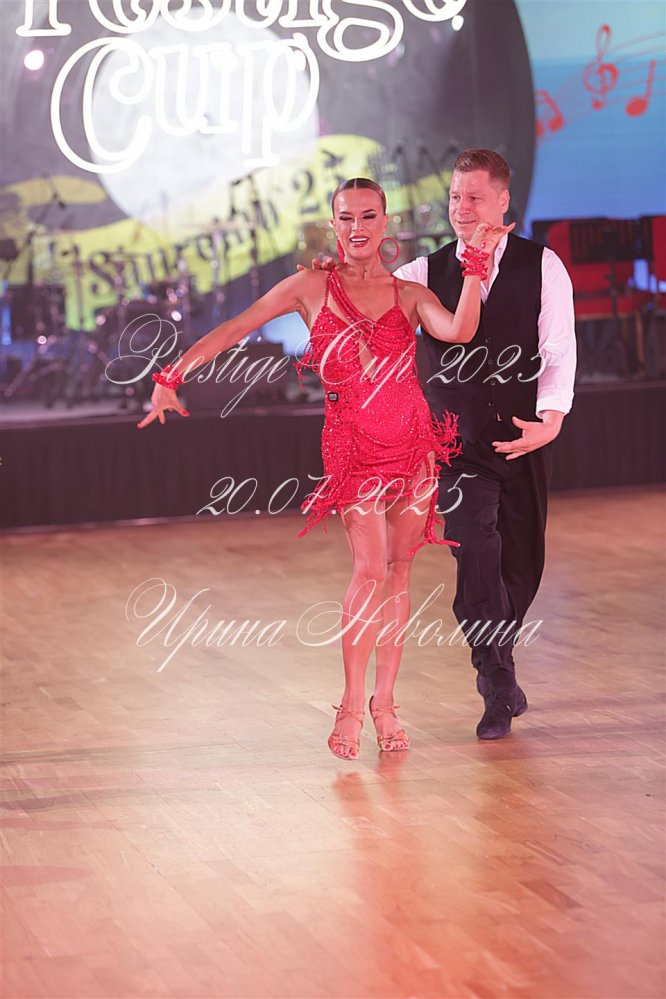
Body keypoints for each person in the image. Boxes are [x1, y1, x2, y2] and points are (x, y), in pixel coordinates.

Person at [137, 177, 513, 759]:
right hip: (353, 447)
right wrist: (171, 375)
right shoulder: (311, 285)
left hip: (414, 445)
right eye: (346, 217)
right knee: (369, 568)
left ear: (385, 222)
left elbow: (459, 330)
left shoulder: (408, 292)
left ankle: (385, 705)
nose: (357, 227)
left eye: (368, 216)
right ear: (333, 224)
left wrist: (474, 266)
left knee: (399, 573)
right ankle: (351, 702)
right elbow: (238, 326)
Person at [394, 149, 576, 739]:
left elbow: (558, 349)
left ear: (502, 200)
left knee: (520, 567)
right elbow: (377, 319)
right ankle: (497, 683)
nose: (462, 208)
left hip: (524, 439)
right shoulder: (422, 274)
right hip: (458, 445)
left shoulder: (543, 265)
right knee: (475, 549)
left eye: (474, 197)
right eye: (455, 197)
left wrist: (551, 420)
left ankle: (500, 664)